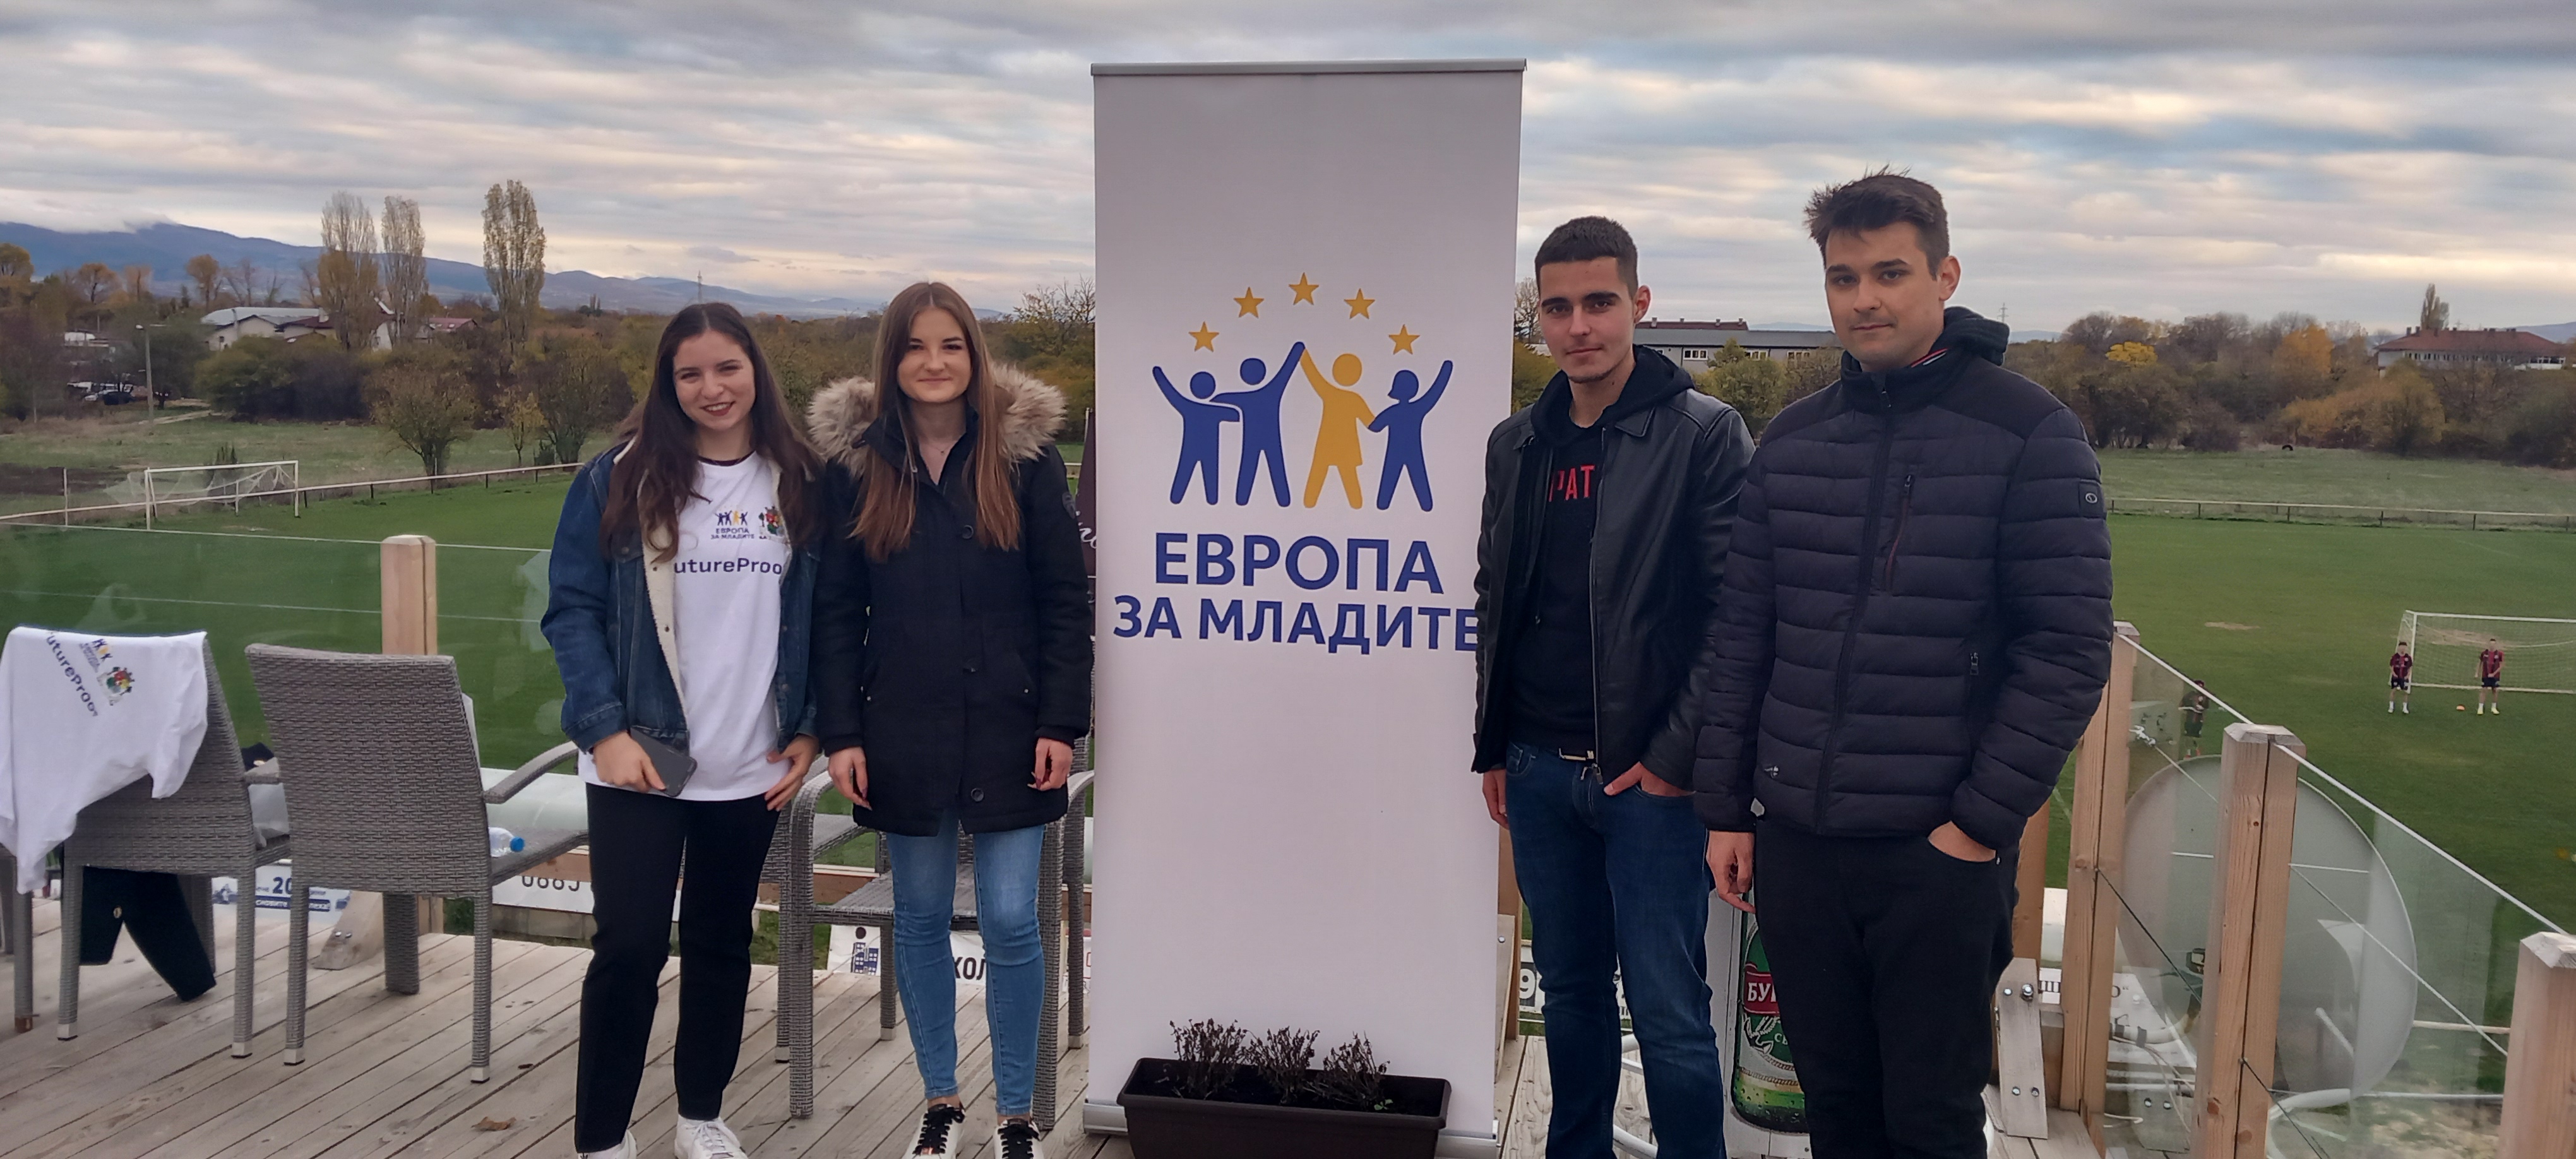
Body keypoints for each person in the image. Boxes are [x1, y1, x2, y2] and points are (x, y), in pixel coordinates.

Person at [1694, 171, 2114, 1159]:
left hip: (1936, 858)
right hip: (1799, 849)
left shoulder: (2030, 432)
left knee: (1928, 1123)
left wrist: (1974, 829)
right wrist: (1726, 808)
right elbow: (1744, 632)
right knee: (1836, 1112)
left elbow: (2067, 649)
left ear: (1945, 276)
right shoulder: (1795, 439)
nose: (1864, 300)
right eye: (1843, 278)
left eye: (1889, 273)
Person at [1473, 215, 1754, 1159]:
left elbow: (1735, 615)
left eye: (1599, 302)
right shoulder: (1517, 443)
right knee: (1570, 994)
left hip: (1651, 784)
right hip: (1537, 770)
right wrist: (1496, 744)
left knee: (1669, 1009)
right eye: (1557, 308)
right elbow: (1496, 596)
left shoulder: (1704, 435)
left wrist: (1673, 759)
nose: (1578, 326)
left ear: (1640, 303)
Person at [807, 281, 1091, 1159]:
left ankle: (1017, 1117)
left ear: (974, 353)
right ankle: (941, 1103)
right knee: (922, 916)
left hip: (1014, 729)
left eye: (951, 345)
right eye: (915, 346)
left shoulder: (1026, 460)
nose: (933, 362)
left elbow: (1064, 601)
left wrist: (1061, 723)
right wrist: (843, 735)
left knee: (1010, 919)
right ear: (890, 358)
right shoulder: (857, 466)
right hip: (900, 729)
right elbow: (834, 613)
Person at [544, 302, 827, 1159]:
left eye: (727, 368)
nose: (713, 388)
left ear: (756, 372)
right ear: (668, 385)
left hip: (751, 761)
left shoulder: (801, 480)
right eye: (690, 373)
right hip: (643, 753)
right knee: (628, 946)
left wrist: (810, 728)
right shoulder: (618, 477)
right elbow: (572, 611)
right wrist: (605, 732)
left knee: (720, 942)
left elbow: (828, 616)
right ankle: (602, 1138)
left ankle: (701, 1116)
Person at [1299, 348, 1378, 508]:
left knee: (1321, 473)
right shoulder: (1354, 399)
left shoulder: (1330, 393)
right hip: (1344, 448)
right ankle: (1355, 505)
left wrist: (1303, 354)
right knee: (1346, 476)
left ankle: (1310, 503)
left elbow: (1314, 376)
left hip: (1328, 446)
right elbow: (1372, 424)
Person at [1369, 360, 1452, 511]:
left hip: (1395, 452)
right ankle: (1425, 505)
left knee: (1390, 479)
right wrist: (1446, 369)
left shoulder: (1392, 411)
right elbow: (1435, 392)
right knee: (1418, 478)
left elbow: (1375, 427)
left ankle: (1384, 504)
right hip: (1413, 452)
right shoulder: (1418, 408)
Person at [1153, 366, 1236, 504]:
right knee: (1210, 482)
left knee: (1185, 474)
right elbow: (1236, 415)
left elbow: (1171, 394)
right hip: (1209, 451)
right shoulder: (1216, 410)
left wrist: (1159, 374)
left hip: (1191, 449)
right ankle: (1211, 501)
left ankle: (1179, 498)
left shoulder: (1187, 406)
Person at [2182, 681, 2211, 756]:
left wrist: (2202, 708)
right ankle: (2188, 753)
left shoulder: (2205, 697)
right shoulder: (2189, 696)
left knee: (2196, 737)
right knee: (2188, 736)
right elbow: (2181, 707)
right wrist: (2191, 708)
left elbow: (2206, 708)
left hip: (2199, 720)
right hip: (2189, 719)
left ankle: (2197, 749)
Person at [2479, 638, 2505, 715]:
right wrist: (2477, 673)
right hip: (2486, 674)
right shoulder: (2484, 653)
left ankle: (2494, 708)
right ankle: (2480, 708)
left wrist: (2494, 673)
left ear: (2496, 645)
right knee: (2484, 690)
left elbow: (2502, 665)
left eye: (2493, 644)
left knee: (2495, 690)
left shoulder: (2499, 654)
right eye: (2491, 644)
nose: (2492, 646)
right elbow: (2480, 662)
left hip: (2495, 675)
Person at [2389, 643, 2413, 714]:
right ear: (2399, 648)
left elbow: (2410, 667)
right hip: (2396, 677)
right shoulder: (2395, 657)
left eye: (2404, 647)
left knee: (2405, 692)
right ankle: (2391, 707)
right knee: (2394, 691)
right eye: (2402, 647)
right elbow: (2391, 666)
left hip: (2404, 677)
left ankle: (2405, 708)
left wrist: (2408, 675)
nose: (2403, 648)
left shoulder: (2408, 658)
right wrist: (2394, 674)